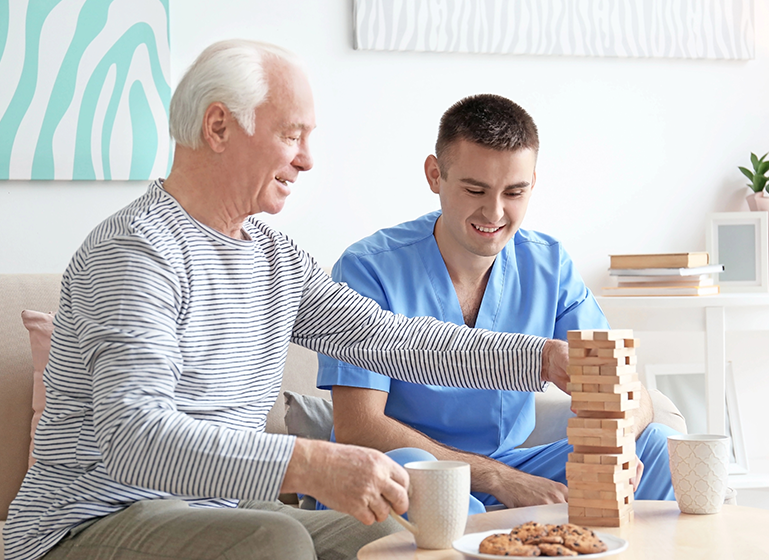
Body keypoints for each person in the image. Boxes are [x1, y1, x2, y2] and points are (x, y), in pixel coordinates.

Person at [2, 43, 574, 560]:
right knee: (272, 539)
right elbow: (133, 437)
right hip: (86, 522)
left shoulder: (274, 257)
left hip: (221, 510)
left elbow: (390, 339)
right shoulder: (136, 251)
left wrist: (542, 360)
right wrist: (309, 463)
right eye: (291, 134)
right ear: (219, 127)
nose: (307, 159)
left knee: (398, 539)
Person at [318, 94, 677, 515]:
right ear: (435, 175)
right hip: (404, 469)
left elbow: (630, 389)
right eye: (475, 189)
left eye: (515, 192)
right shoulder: (367, 268)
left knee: (656, 445)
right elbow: (359, 427)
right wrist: (501, 480)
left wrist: (621, 439)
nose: (495, 211)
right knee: (431, 487)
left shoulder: (548, 264)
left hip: (510, 464)